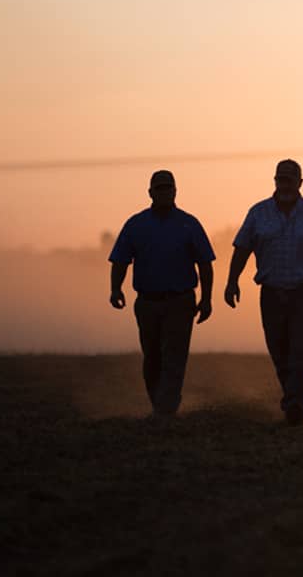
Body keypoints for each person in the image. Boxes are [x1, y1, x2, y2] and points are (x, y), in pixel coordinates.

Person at [225, 159, 303, 426]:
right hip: (272, 291)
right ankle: (294, 395)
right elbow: (242, 248)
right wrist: (232, 281)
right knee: (279, 348)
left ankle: (296, 402)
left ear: (300, 182)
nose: (285, 184)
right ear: (275, 181)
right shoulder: (258, 213)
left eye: (290, 180)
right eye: (280, 179)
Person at [108, 169, 215, 418]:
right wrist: (115, 289)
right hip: (147, 302)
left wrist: (207, 299)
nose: (164, 193)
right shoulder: (136, 224)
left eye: (168, 188)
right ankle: (159, 402)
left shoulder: (189, 224)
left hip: (180, 301)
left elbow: (205, 264)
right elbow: (120, 260)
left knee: (174, 357)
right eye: (159, 189)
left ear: (175, 191)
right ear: (150, 192)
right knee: (152, 357)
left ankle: (165, 408)